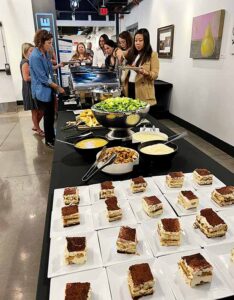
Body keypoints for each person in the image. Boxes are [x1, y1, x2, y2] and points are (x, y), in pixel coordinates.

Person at [30, 29, 65, 148]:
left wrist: (58, 66)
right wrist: (58, 87)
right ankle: (49, 140)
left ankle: (52, 137)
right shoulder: (35, 56)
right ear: (41, 42)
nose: (51, 45)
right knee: (48, 116)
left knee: (51, 116)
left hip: (48, 89)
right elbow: (43, 78)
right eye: (49, 43)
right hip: (41, 91)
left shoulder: (45, 53)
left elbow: (50, 69)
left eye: (51, 42)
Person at [123, 28, 159, 106]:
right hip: (130, 87)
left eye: (140, 40)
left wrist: (145, 73)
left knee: (141, 116)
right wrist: (116, 51)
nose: (137, 43)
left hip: (142, 90)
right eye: (136, 40)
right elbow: (120, 53)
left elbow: (155, 75)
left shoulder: (152, 55)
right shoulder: (132, 53)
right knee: (130, 115)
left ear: (146, 41)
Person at [20, 43, 44, 136]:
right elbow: (26, 78)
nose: (33, 52)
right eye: (31, 51)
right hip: (30, 89)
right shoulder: (25, 62)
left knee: (41, 109)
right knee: (35, 110)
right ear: (25, 51)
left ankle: (35, 125)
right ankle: (38, 129)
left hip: (35, 88)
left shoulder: (31, 61)